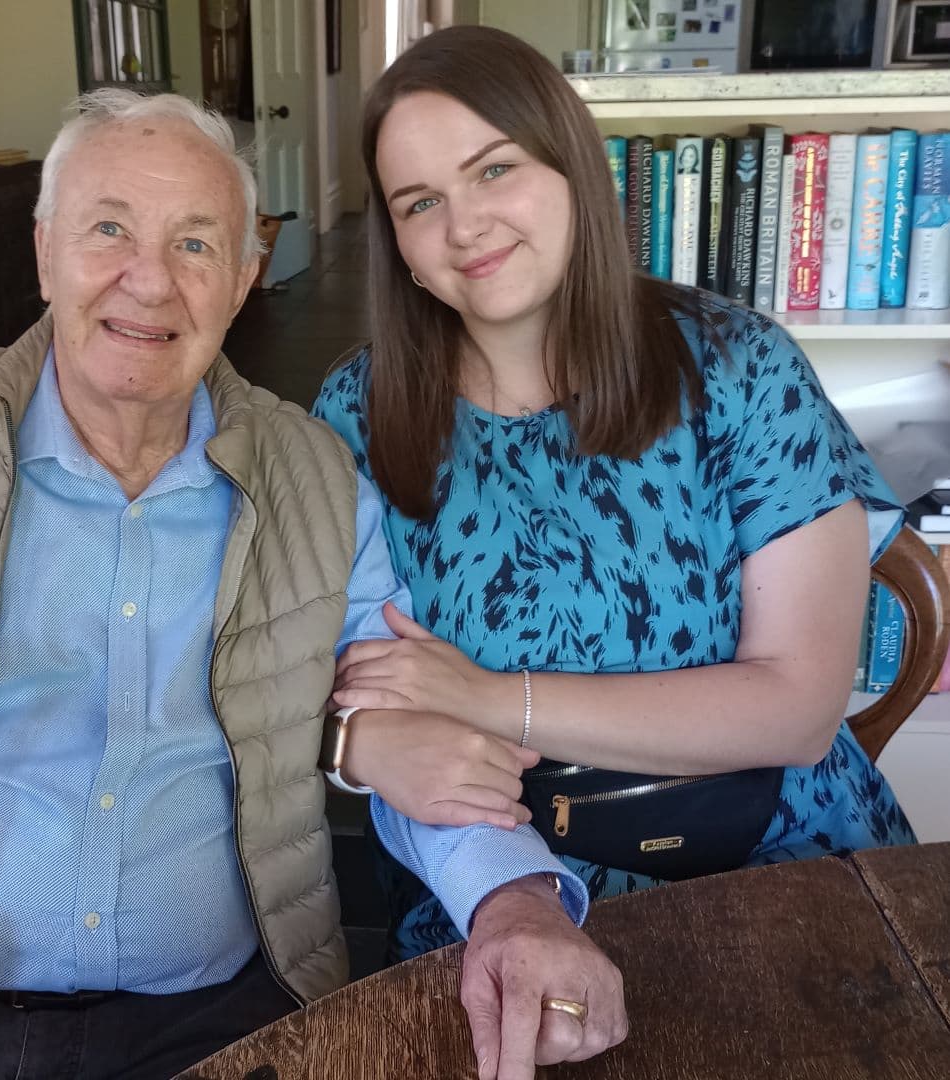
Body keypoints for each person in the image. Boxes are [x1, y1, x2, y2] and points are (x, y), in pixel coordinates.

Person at [0, 89, 625, 1080]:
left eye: (195, 244)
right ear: (45, 254)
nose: (150, 282)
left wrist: (516, 903)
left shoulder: (316, 483)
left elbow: (411, 740)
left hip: (211, 1013)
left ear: (243, 278)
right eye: (108, 229)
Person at [312, 26, 916, 964]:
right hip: (485, 886)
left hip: (774, 864)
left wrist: (489, 698)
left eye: (494, 170)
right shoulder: (357, 411)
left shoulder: (739, 367)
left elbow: (798, 710)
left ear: (573, 169)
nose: (464, 226)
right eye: (420, 202)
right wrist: (357, 743)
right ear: (398, 243)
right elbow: (335, 675)